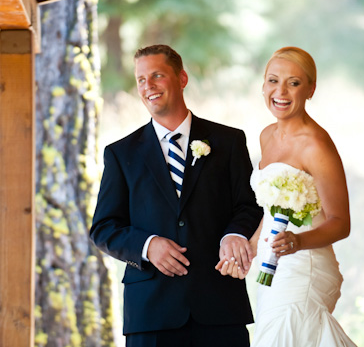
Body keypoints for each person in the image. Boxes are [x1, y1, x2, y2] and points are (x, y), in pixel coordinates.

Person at [90, 44, 263, 347]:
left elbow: (248, 205)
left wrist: (234, 234)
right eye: (141, 79)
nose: (148, 86)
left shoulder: (229, 141)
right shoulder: (120, 154)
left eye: (157, 75)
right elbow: (104, 228)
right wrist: (148, 246)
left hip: (219, 307)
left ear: (182, 78)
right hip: (151, 312)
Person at [216, 46, 357, 346]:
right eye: (272, 80)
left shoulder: (316, 145)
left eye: (293, 83)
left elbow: (340, 223)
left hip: (304, 268)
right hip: (271, 268)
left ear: (310, 89)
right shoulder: (267, 135)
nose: (280, 91)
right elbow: (271, 211)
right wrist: (250, 247)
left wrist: (297, 242)